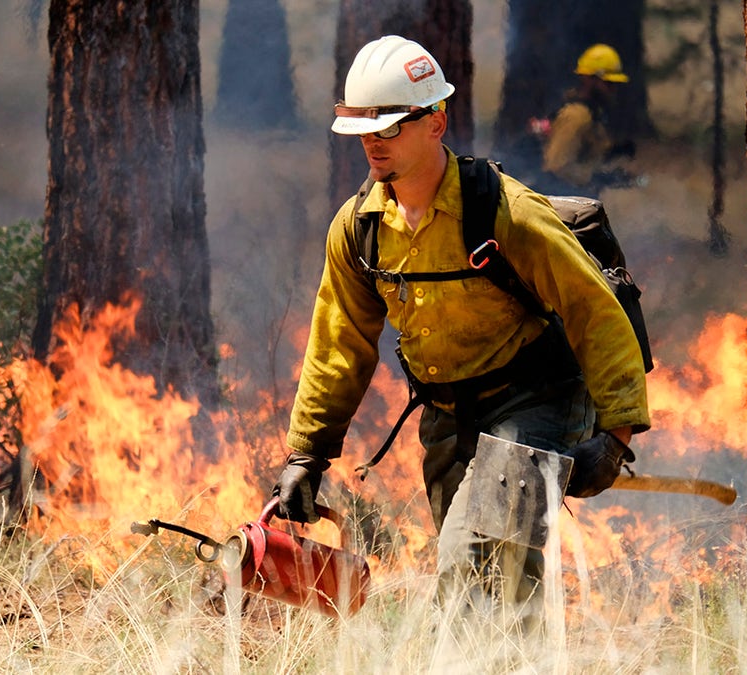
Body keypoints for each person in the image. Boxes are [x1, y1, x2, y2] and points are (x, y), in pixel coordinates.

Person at [269, 35, 650, 620]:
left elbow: (594, 312)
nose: (374, 141)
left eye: (391, 126)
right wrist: (307, 455)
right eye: (364, 129)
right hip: (449, 414)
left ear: (435, 122)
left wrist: (617, 435)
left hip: (537, 400)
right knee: (500, 591)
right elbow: (338, 343)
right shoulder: (359, 230)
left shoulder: (505, 213)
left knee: (472, 569)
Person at [534, 43, 639, 196]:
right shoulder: (576, 116)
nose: (613, 90)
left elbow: (589, 154)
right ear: (589, 79)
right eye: (608, 83)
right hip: (559, 202)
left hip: (574, 200)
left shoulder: (592, 114)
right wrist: (595, 177)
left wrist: (613, 152)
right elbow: (558, 166)